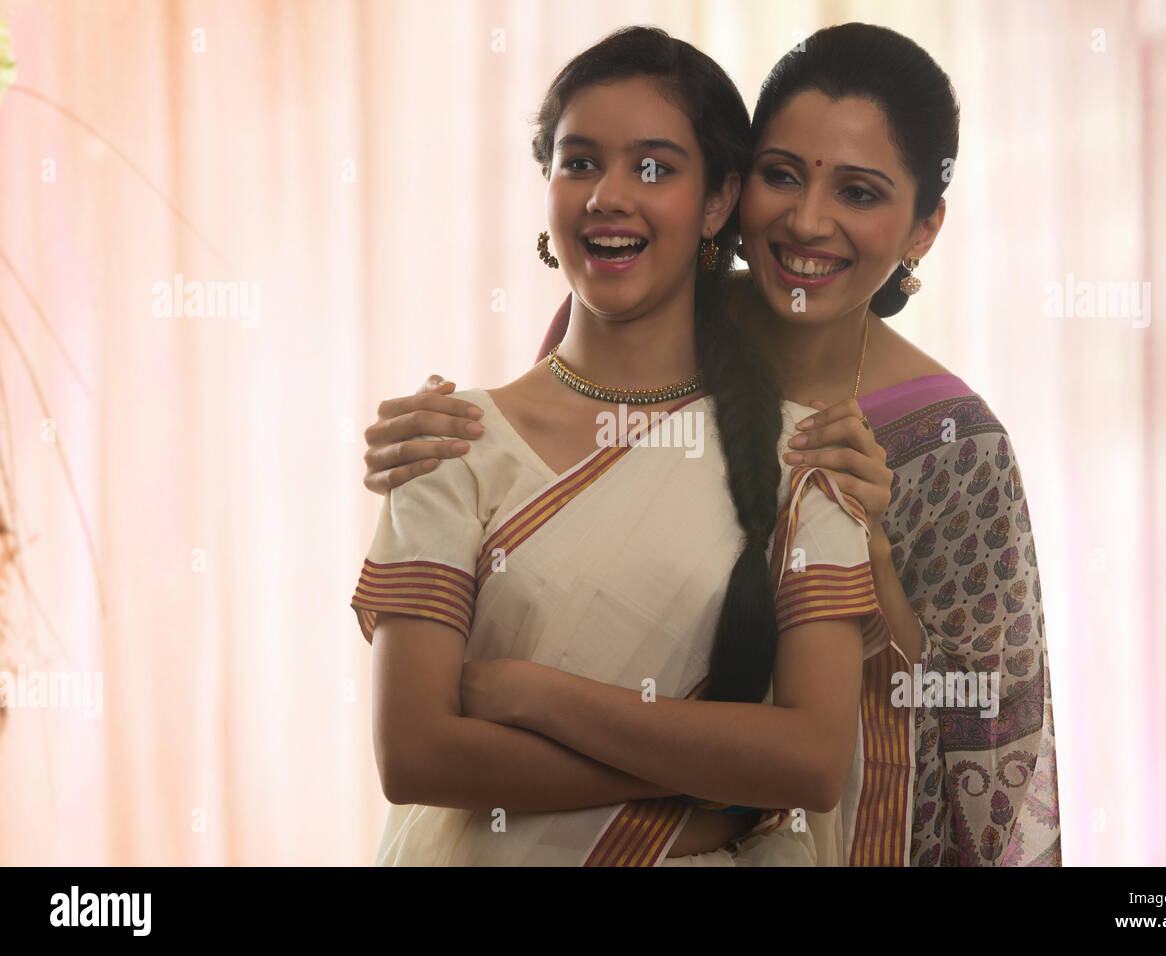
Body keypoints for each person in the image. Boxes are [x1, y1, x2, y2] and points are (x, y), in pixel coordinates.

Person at [362, 23, 1062, 866]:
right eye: (783, 176)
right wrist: (428, 461)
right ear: (736, 192)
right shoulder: (629, 311)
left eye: (861, 193)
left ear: (923, 228)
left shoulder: (952, 443)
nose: (808, 222)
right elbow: (556, 571)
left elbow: (979, 723)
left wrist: (865, 549)